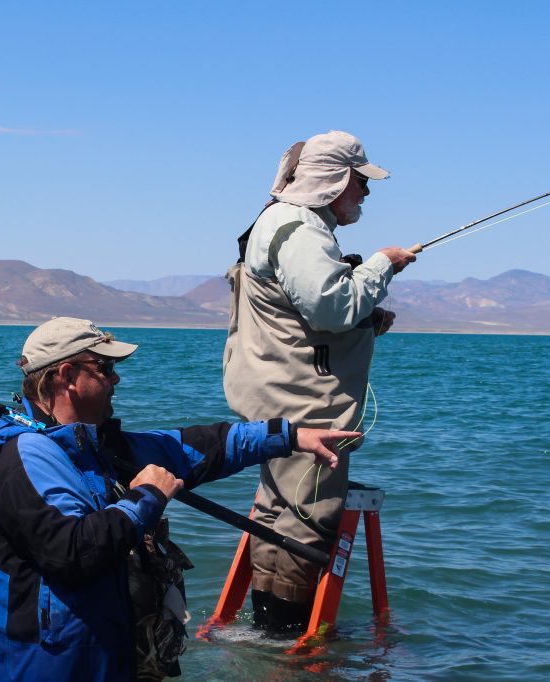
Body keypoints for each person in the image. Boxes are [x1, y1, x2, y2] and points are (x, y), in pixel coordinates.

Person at [0, 317, 360, 681]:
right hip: (38, 666)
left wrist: (291, 437)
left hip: (99, 660)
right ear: (66, 376)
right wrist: (146, 498)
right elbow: (71, 552)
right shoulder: (26, 456)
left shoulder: (96, 446)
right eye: (103, 369)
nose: (115, 378)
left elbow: (203, 446)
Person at [222, 130, 417, 632]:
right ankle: (285, 642)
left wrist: (365, 318)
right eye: (360, 181)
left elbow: (302, 315)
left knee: (278, 512)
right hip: (304, 406)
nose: (366, 193)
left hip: (278, 399)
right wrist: (382, 265)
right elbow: (330, 307)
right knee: (306, 519)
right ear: (333, 180)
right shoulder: (300, 228)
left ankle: (266, 633)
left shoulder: (279, 223)